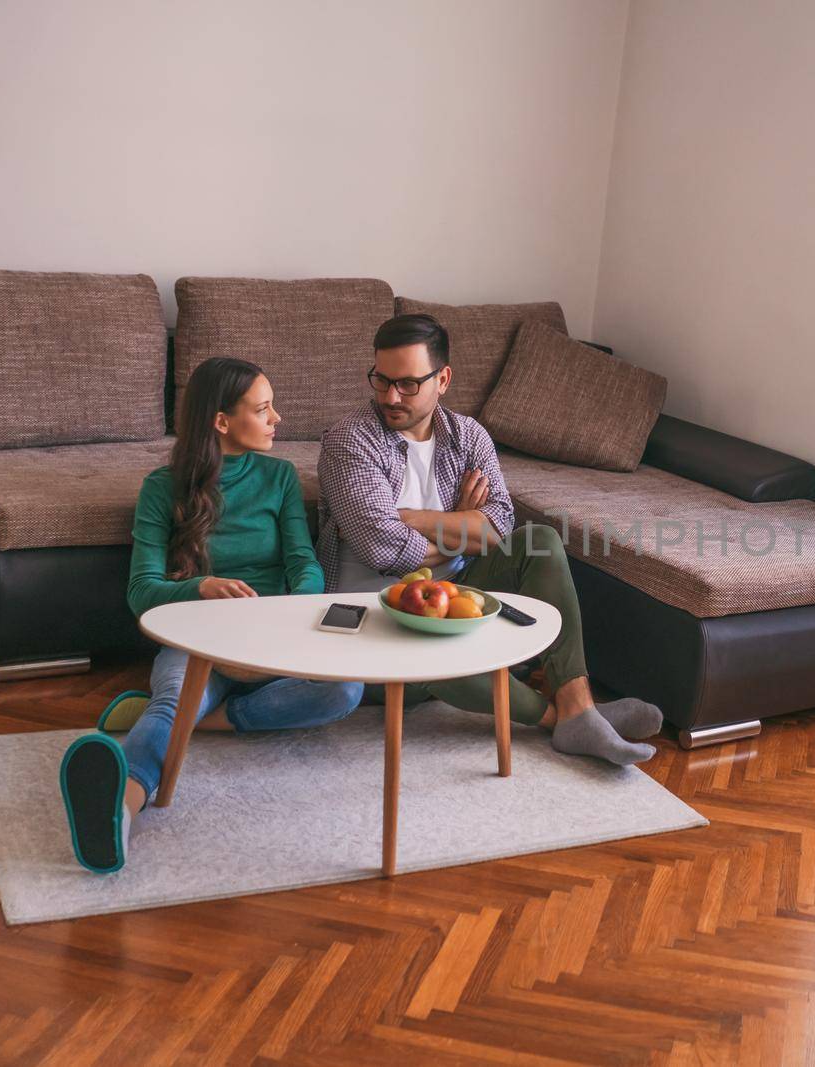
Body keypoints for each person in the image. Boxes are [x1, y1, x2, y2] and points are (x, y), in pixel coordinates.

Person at [58, 357, 364, 874]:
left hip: (272, 633)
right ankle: (121, 811)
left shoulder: (280, 476)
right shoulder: (162, 488)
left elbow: (303, 563)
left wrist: (285, 618)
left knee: (344, 690)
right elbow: (141, 592)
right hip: (197, 638)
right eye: (263, 409)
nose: (278, 419)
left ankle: (203, 720)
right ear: (221, 422)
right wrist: (201, 587)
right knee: (176, 699)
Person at [316, 313, 663, 767]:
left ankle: (579, 703)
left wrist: (416, 519)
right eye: (380, 380)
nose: (390, 396)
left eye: (407, 384)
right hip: (374, 626)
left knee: (538, 541)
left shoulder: (468, 436)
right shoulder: (350, 442)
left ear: (443, 379)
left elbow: (499, 526)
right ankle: (563, 718)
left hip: (455, 598)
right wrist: (463, 526)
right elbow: (384, 548)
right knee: (430, 643)